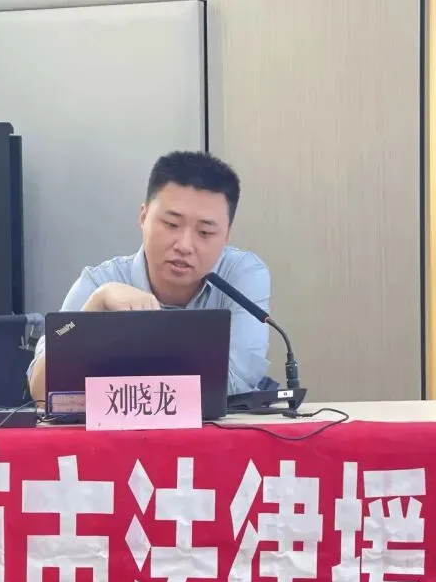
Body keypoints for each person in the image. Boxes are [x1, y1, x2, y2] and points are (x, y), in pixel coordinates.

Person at [27, 150, 272, 403]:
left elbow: (238, 379)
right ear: (143, 217)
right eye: (171, 225)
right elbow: (42, 391)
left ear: (227, 235)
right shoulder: (100, 282)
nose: (185, 245)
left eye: (205, 233)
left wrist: (120, 386)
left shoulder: (241, 275)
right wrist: (93, 311)